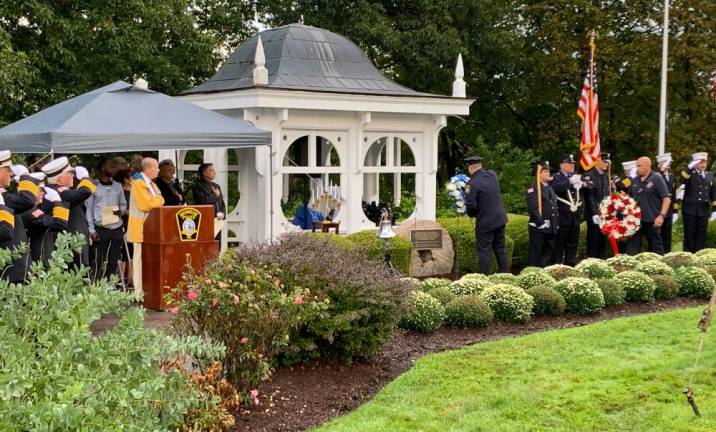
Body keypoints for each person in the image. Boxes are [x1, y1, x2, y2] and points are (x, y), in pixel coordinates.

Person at [41, 157, 96, 268]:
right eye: (70, 173)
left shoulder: (58, 190)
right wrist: (85, 177)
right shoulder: (59, 192)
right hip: (70, 249)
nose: (73, 176)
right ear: (61, 178)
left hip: (71, 247)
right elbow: (85, 192)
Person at [0, 153, 41, 282]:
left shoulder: (5, 195)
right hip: (10, 270)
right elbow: (27, 200)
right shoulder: (4, 197)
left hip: (14, 267)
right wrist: (25, 176)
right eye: (8, 170)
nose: (11, 174)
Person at [464, 156, 508, 274]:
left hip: (485, 222)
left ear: (471, 167)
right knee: (500, 249)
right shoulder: (492, 175)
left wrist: (470, 214)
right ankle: (505, 275)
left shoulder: (471, 183)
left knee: (484, 251)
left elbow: (471, 206)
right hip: (500, 219)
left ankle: (485, 278)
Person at [127, 158, 165, 297]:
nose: (158, 170)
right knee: (138, 261)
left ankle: (148, 291)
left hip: (151, 229)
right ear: (148, 169)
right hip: (140, 228)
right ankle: (138, 293)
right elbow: (146, 204)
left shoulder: (151, 184)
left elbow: (160, 199)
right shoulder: (138, 183)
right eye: (156, 167)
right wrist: (158, 200)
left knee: (148, 261)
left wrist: (157, 200)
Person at [86, 158, 127, 281]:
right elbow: (89, 209)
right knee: (98, 260)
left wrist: (121, 211)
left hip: (116, 228)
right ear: (102, 168)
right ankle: (97, 286)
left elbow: (124, 205)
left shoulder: (118, 186)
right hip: (100, 229)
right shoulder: (93, 186)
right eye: (111, 165)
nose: (114, 168)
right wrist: (91, 230)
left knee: (113, 260)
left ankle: (110, 286)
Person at [21, 172, 70, 267]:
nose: (43, 193)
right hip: (37, 263)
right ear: (31, 191)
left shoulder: (31, 209)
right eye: (40, 190)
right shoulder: (32, 213)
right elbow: (60, 223)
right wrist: (57, 201)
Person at [625, 157, 670, 255]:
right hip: (636, 220)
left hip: (652, 219)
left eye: (639, 166)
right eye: (636, 166)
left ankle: (660, 267)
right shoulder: (635, 180)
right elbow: (630, 198)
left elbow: (666, 199)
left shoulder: (656, 178)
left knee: (656, 247)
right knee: (632, 247)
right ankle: (629, 267)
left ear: (648, 166)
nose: (637, 168)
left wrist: (661, 216)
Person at [550, 154, 583, 266]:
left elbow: (588, 185)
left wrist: (582, 183)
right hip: (563, 215)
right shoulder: (555, 176)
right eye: (569, 163)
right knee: (560, 242)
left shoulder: (575, 176)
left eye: (572, 163)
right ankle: (557, 265)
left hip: (574, 215)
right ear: (561, 165)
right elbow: (554, 188)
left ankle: (570, 263)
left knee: (573, 242)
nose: (572, 165)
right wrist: (569, 182)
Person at [679, 152, 716, 253]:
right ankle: (689, 255)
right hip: (690, 210)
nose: (703, 164)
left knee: (701, 235)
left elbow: (713, 193)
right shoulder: (689, 174)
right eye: (701, 162)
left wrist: (714, 210)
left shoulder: (709, 175)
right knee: (689, 235)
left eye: (705, 162)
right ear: (695, 163)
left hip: (703, 210)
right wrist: (689, 168)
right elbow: (681, 180)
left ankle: (699, 255)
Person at [526, 161, 559, 267]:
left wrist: (555, 225)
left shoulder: (549, 188)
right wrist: (540, 223)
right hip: (538, 228)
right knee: (536, 256)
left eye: (549, 171)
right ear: (538, 174)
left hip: (550, 228)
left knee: (547, 255)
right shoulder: (534, 188)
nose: (548, 173)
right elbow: (532, 208)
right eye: (545, 171)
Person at [583, 153, 611, 258]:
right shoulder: (589, 175)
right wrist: (595, 213)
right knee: (593, 239)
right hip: (594, 213)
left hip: (604, 212)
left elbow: (607, 194)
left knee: (603, 239)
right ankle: (592, 261)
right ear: (597, 161)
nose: (606, 164)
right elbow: (589, 196)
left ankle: (602, 259)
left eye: (607, 162)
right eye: (604, 161)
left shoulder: (605, 176)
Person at [114, 169, 134, 288]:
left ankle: (131, 279)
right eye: (131, 177)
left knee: (132, 252)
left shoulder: (135, 192)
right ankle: (120, 278)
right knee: (123, 253)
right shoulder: (120, 191)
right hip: (123, 224)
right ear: (125, 179)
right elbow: (115, 208)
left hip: (134, 224)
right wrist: (125, 211)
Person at [656, 153, 677, 253]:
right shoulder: (656, 174)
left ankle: (667, 254)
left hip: (668, 210)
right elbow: (653, 180)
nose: (668, 164)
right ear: (659, 164)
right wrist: (661, 170)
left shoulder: (672, 176)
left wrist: (675, 210)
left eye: (669, 162)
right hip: (659, 209)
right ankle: (658, 254)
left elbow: (673, 194)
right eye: (666, 162)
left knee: (667, 235)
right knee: (658, 235)